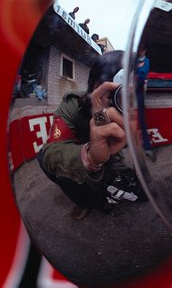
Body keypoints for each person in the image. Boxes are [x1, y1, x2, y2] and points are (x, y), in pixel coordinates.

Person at [39, 50, 141, 218]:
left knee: (142, 192)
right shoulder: (73, 104)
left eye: (127, 95)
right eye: (114, 93)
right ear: (94, 88)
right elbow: (51, 151)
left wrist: (135, 134)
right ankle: (85, 201)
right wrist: (89, 157)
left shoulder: (136, 111)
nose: (119, 102)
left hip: (114, 159)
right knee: (43, 159)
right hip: (84, 157)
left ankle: (111, 188)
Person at [135, 44, 154, 160]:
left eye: (141, 50)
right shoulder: (134, 61)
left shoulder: (146, 61)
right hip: (131, 93)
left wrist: (136, 77)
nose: (139, 52)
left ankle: (147, 147)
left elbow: (142, 75)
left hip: (140, 93)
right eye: (138, 50)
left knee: (142, 120)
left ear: (145, 51)